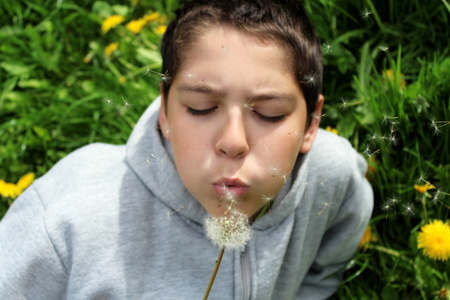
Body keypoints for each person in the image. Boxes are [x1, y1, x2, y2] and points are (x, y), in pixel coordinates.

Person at [0, 0, 373, 299]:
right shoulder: (69, 221)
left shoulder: (330, 175)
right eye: (201, 108)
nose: (232, 142)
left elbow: (330, 263)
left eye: (269, 114)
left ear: (311, 123)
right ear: (164, 109)